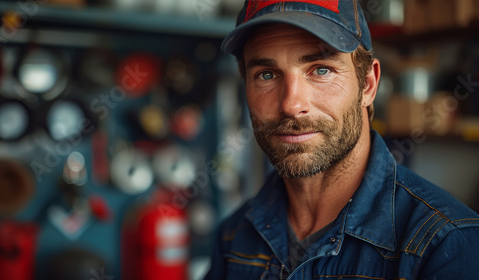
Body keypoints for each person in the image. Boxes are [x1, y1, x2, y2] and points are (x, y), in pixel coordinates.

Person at [204, 0, 479, 279]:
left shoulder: (446, 244)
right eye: (266, 75)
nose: (291, 104)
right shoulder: (233, 237)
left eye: (321, 70)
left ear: (368, 85)